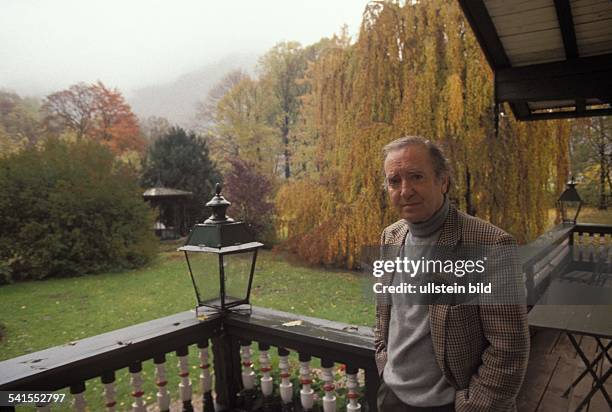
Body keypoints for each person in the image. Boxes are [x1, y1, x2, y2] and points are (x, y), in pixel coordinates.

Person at [375, 136, 530, 412]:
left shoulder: (491, 245)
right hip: (392, 397)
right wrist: (383, 363)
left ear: (443, 181)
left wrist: (470, 406)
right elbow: (384, 314)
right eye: (394, 181)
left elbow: (509, 349)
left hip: (451, 405)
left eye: (416, 177)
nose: (405, 190)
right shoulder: (390, 237)